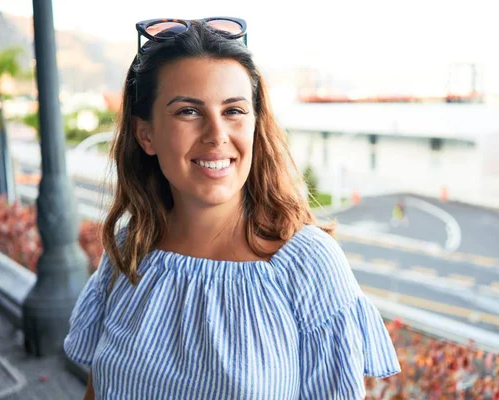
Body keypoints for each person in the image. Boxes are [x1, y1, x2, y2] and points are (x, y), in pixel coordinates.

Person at [64, 17, 400, 399]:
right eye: (188, 111)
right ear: (146, 134)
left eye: (234, 111)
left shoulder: (306, 264)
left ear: (256, 124)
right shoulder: (129, 250)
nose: (216, 135)